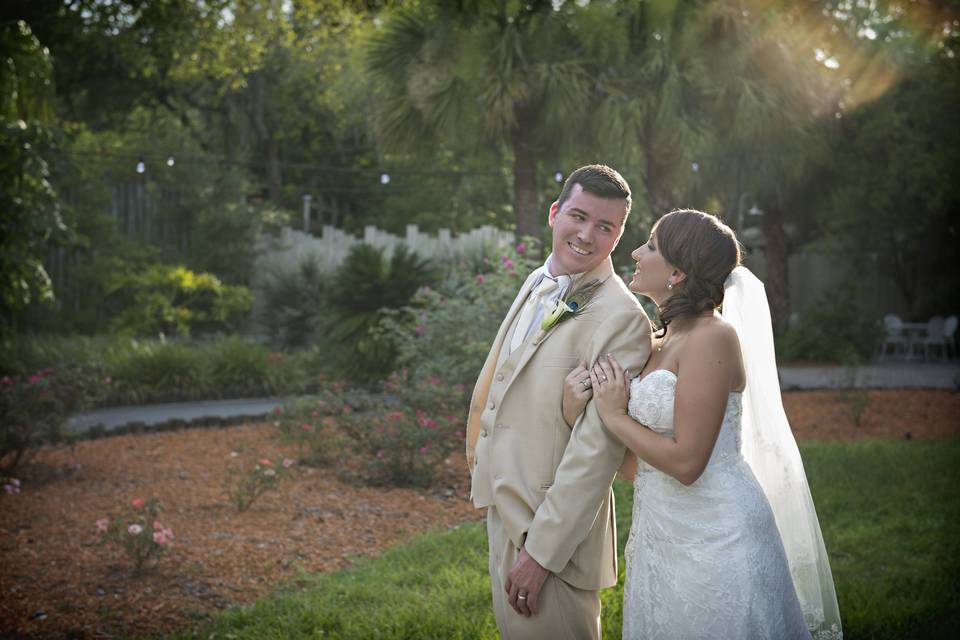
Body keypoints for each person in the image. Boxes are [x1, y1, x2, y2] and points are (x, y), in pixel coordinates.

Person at [566, 209, 843, 639]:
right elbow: (639, 466)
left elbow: (687, 463)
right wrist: (579, 407)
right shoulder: (659, 341)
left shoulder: (713, 337)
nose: (636, 252)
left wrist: (615, 415)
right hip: (662, 534)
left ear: (677, 270)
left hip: (719, 539)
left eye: (651, 245)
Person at [466, 164, 652, 639]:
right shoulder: (536, 281)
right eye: (578, 216)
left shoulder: (623, 319)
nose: (587, 235)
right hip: (506, 511)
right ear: (554, 213)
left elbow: (598, 453)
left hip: (550, 540)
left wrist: (541, 553)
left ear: (618, 235)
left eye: (604, 227)